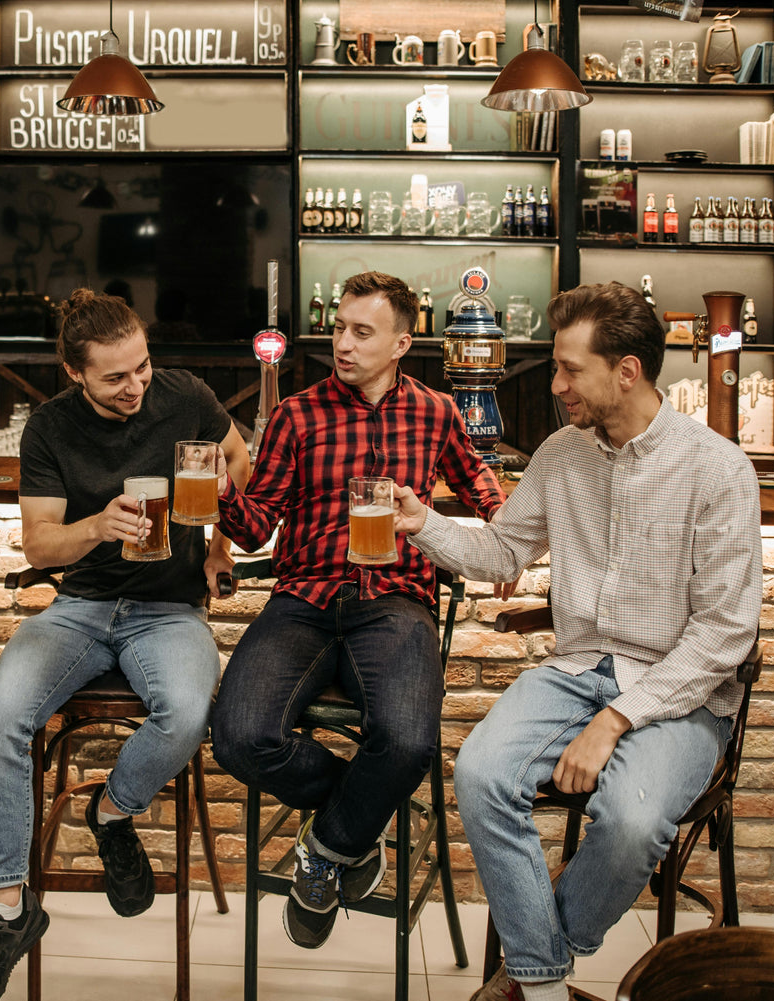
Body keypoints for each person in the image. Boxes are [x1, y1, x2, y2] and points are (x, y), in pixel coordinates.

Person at [393, 282, 762, 1001]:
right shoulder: (562, 454)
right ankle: (544, 984)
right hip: (575, 669)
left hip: (681, 690)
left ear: (626, 370)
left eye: (569, 368)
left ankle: (529, 967)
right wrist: (422, 525)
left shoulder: (718, 470)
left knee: (629, 819)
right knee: (480, 772)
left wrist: (617, 718)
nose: (556, 384)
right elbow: (503, 553)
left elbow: (723, 632)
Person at [0, 289, 250, 1001]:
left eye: (141, 367)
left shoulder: (187, 397)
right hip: (80, 607)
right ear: (73, 371)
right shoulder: (50, 428)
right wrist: (97, 525)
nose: (135, 385)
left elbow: (240, 466)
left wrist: (218, 546)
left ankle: (112, 812)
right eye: (115, 377)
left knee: (185, 709)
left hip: (169, 608)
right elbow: (41, 542)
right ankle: (7, 911)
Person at [209, 270, 504, 950]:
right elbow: (256, 529)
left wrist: (507, 540)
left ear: (403, 341)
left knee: (407, 742)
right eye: (340, 327)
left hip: (396, 602)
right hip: (304, 599)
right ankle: (356, 823)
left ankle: (327, 847)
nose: (342, 342)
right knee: (237, 734)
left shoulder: (434, 411)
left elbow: (481, 481)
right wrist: (221, 490)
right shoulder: (297, 414)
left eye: (361, 331)